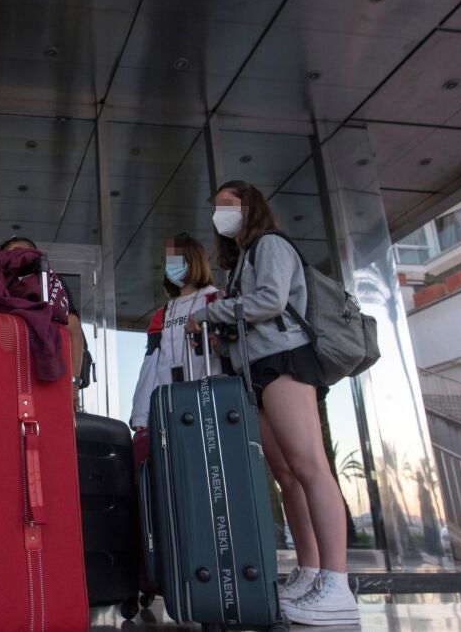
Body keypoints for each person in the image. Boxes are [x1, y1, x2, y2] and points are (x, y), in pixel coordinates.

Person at [186, 180, 358, 626]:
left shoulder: (271, 245)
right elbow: (250, 315)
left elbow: (271, 300)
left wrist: (209, 312)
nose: (220, 214)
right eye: (216, 207)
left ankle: (337, 583)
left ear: (250, 206)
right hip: (256, 369)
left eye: (228, 204)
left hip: (285, 361)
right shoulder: (243, 259)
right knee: (287, 475)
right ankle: (311, 571)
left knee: (310, 467)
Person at [129, 232, 221, 431]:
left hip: (210, 401)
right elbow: (150, 366)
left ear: (193, 260)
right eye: (168, 262)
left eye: (176, 260)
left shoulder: (215, 300)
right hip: (171, 405)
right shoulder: (162, 314)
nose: (171, 267)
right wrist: (141, 416)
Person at [0, 236, 85, 407]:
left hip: (51, 374)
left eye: (23, 252)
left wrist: (74, 384)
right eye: (12, 254)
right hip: (10, 373)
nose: (19, 258)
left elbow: (73, 329)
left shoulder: (50, 282)